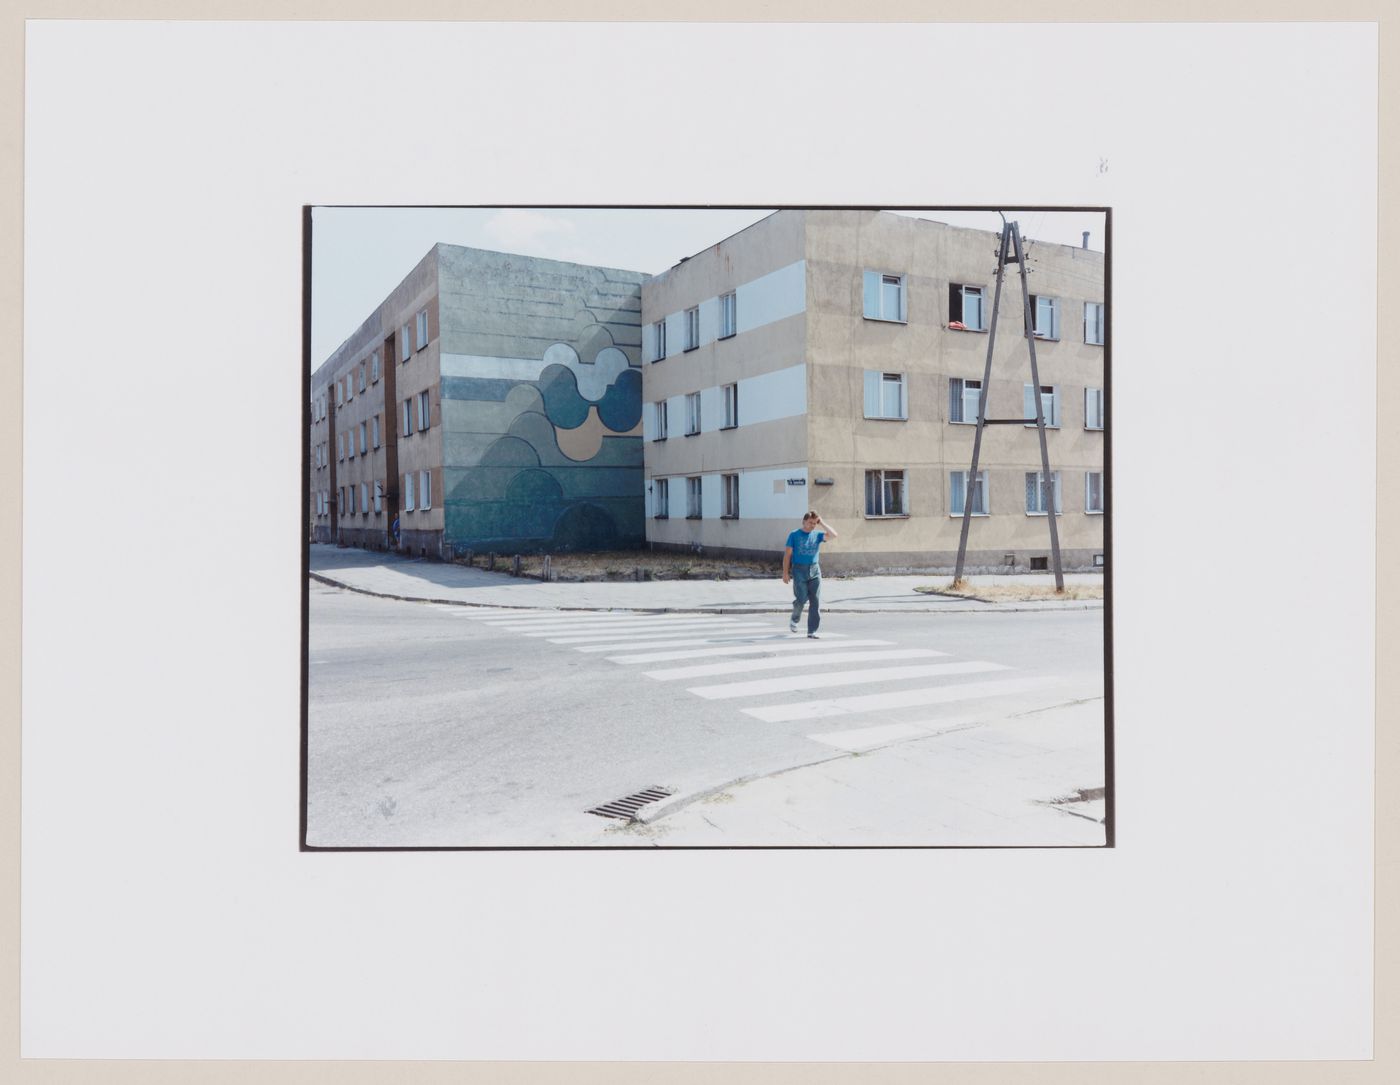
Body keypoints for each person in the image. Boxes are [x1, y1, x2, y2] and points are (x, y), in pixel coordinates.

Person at [783, 511, 837, 638]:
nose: (812, 525)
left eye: (814, 523)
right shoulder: (794, 535)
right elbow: (787, 555)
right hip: (799, 570)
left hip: (814, 570)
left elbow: (834, 535)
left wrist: (821, 522)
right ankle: (794, 619)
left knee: (815, 601)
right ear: (804, 522)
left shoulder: (817, 535)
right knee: (801, 599)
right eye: (810, 523)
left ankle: (812, 631)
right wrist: (785, 573)